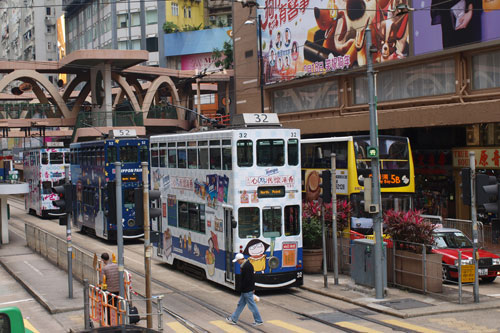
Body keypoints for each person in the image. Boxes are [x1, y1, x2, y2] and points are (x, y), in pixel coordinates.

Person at [226, 253, 263, 326]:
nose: (237, 262)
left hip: (246, 290)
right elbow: (252, 278)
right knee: (240, 304)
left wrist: (249, 288)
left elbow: (248, 279)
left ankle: (258, 320)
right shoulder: (247, 265)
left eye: (237, 261)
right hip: (246, 290)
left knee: (251, 305)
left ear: (240, 260)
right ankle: (233, 319)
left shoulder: (246, 266)